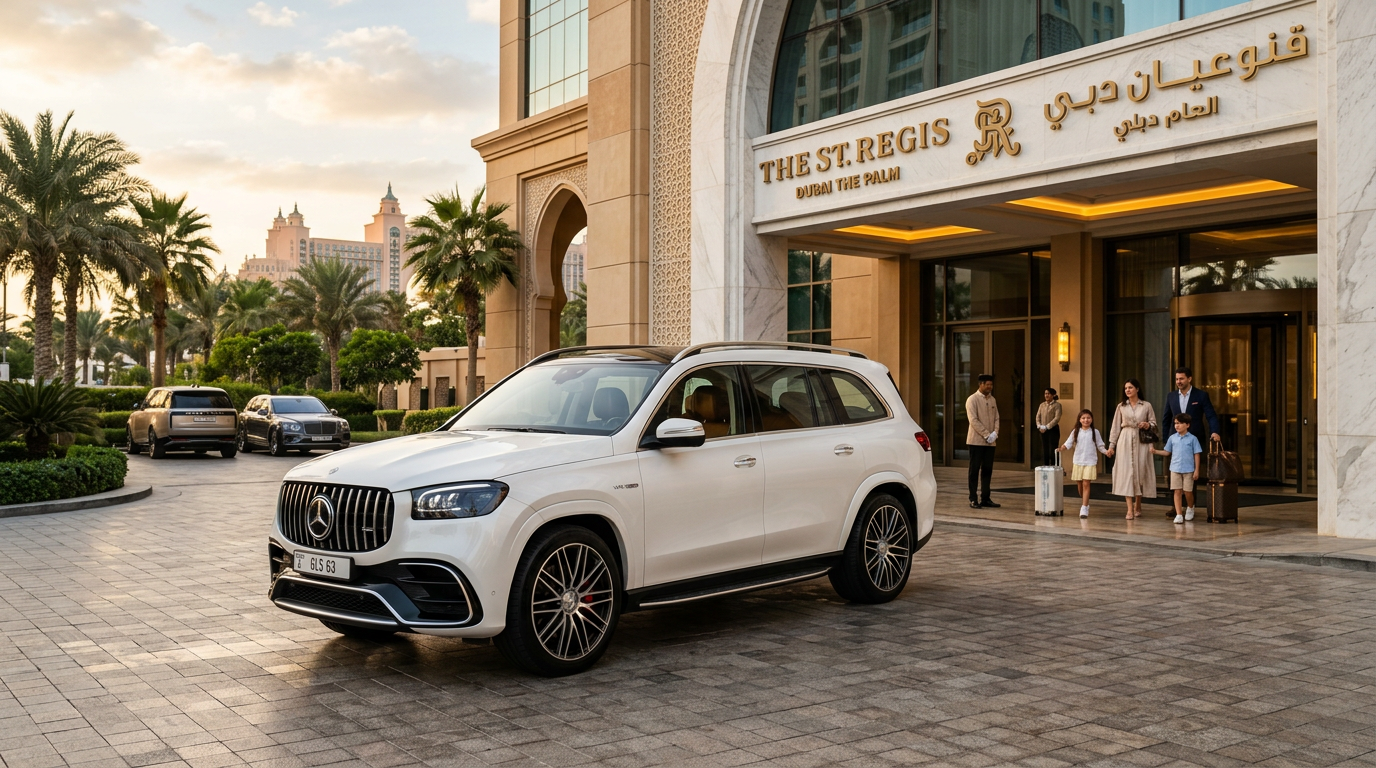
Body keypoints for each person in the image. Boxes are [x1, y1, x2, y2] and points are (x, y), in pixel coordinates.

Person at [1105, 379, 1157, 519]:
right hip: (1125, 439)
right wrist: (1111, 446)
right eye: (1126, 388)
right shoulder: (1121, 406)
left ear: (1137, 389)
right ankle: (1129, 509)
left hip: (1141, 440)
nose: (1127, 390)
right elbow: (1115, 427)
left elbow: (1154, 423)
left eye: (1130, 387)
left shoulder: (1146, 405)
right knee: (1127, 473)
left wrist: (1147, 424)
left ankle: (1138, 504)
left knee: (1140, 471)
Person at [1152, 413, 1203, 523]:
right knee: (1177, 491)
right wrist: (1155, 451)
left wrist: (1197, 470)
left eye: (1180, 423)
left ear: (1187, 425)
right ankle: (1179, 514)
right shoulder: (1172, 438)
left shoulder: (1193, 439)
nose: (1177, 425)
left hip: (1189, 469)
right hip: (1175, 468)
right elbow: (1167, 452)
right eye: (1175, 423)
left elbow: (1197, 454)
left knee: (1188, 491)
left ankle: (1190, 507)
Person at [1060, 409, 1109, 518]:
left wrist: (1106, 452)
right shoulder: (1076, 431)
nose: (1086, 420)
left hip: (1090, 461)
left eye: (1088, 418)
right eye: (1083, 418)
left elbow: (1100, 445)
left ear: (1091, 419)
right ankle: (1084, 501)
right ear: (1079, 420)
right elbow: (1068, 442)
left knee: (1086, 483)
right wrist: (1062, 448)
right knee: (1080, 484)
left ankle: (1084, 507)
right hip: (1078, 460)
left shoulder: (1095, 432)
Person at [965, 374, 1000, 509]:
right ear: (981, 384)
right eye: (987, 385)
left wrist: (995, 433)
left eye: (991, 385)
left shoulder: (993, 400)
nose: (990, 387)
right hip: (976, 441)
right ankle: (973, 498)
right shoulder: (972, 400)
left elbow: (997, 417)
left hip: (991, 442)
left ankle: (986, 498)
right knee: (974, 470)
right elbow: (973, 420)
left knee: (987, 470)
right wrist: (986, 435)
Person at [1036, 388, 1062, 467]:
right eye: (1045, 393)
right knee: (1044, 449)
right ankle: (1045, 466)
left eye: (1048, 394)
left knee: (1053, 449)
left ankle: (1054, 466)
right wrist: (1039, 426)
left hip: (1053, 430)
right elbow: (1038, 416)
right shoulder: (1042, 405)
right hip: (1042, 430)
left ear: (1053, 395)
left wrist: (1047, 427)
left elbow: (1057, 418)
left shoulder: (1057, 405)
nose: (1046, 395)